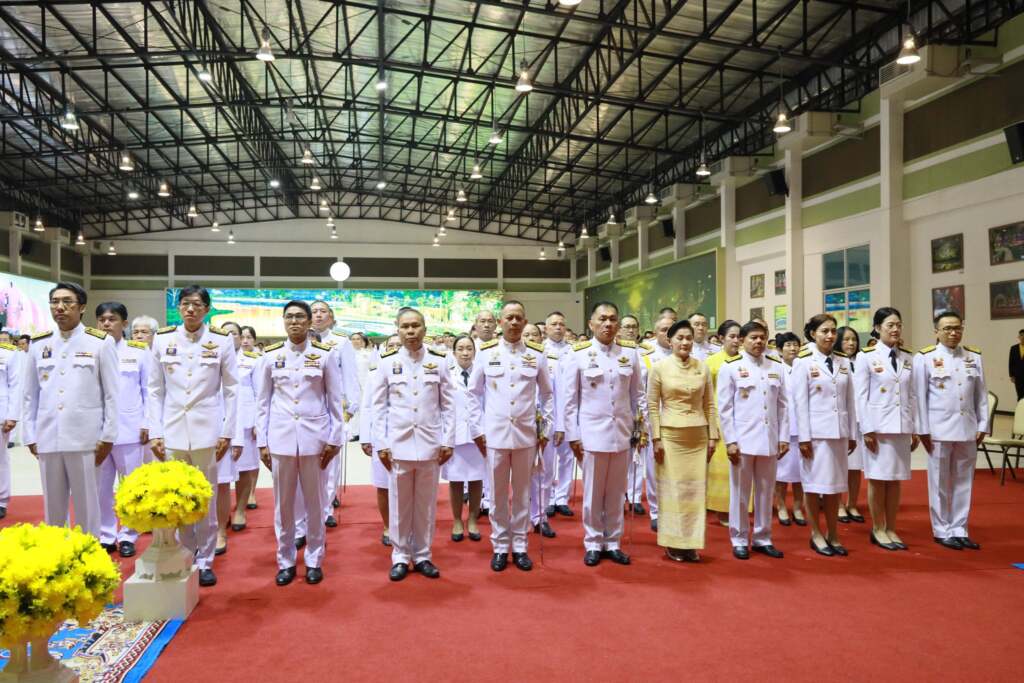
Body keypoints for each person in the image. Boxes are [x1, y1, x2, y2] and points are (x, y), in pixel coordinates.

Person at [148, 285, 237, 587]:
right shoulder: (162, 339)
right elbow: (155, 389)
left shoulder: (221, 341)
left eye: (197, 304)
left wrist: (227, 430)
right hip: (172, 429)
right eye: (185, 304)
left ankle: (206, 560)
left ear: (207, 309)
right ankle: (186, 554)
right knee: (179, 496)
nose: (190, 309)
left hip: (207, 430)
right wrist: (155, 431)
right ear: (179, 307)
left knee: (205, 496)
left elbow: (232, 389)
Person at [256, 301, 343, 586]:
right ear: (283, 321)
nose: (294, 322)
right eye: (289, 317)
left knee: (316, 503)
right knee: (283, 505)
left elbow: (335, 400)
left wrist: (335, 438)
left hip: (315, 439)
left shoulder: (325, 355)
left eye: (300, 317)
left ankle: (315, 559)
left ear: (308, 322)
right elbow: (263, 403)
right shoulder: (270, 356)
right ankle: (286, 561)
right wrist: (262, 441)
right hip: (280, 439)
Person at [23, 282, 118, 539]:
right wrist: (30, 435)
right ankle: (58, 555)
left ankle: (89, 557)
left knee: (87, 507)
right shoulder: (39, 344)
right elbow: (30, 394)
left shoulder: (100, 343)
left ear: (82, 307)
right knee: (53, 509)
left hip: (86, 439)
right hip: (48, 436)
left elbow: (112, 394)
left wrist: (108, 436)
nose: (60, 307)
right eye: (55, 302)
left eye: (67, 302)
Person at [558, 301, 646, 567]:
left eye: (613, 319)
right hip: (591, 434)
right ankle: (594, 541)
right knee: (594, 493)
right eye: (602, 319)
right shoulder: (578, 354)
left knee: (617, 492)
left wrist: (641, 428)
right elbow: (569, 399)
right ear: (591, 324)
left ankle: (613, 541)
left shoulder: (630, 353)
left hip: (622, 433)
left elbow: (638, 395)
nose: (608, 324)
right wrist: (573, 434)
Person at [468, 300, 553, 572]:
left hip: (526, 435)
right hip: (495, 435)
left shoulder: (537, 354)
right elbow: (473, 393)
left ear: (525, 322)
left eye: (519, 318)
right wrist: (477, 429)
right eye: (509, 318)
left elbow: (548, 394)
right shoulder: (486, 352)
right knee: (497, 494)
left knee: (522, 494)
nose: (514, 322)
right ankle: (500, 546)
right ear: (500, 322)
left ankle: (520, 546)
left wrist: (545, 427)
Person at [372, 308, 454, 581]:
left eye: (415, 326)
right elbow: (379, 407)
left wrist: (448, 440)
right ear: (397, 330)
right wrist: (382, 443)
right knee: (399, 504)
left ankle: (422, 555)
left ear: (425, 329)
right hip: (398, 444)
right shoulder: (386, 362)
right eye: (405, 326)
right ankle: (400, 556)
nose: (410, 331)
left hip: (430, 443)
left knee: (426, 504)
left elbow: (449, 405)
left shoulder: (439, 361)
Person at [914, 310, 987, 550]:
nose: (953, 333)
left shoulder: (973, 356)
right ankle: (941, 529)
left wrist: (983, 425)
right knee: (939, 481)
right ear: (936, 331)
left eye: (957, 328)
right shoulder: (925, 357)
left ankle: (960, 528)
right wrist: (922, 430)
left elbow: (981, 394)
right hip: (938, 430)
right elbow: (919, 397)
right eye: (947, 328)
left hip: (967, 428)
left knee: (964, 481)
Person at [647, 320, 718, 562]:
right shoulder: (659, 367)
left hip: (698, 435)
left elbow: (710, 404)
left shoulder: (702, 367)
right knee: (673, 491)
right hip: (670, 435)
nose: (685, 342)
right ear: (670, 341)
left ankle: (691, 543)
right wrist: (656, 438)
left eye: (689, 338)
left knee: (695, 492)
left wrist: (713, 436)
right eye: (680, 338)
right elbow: (652, 406)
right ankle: (673, 542)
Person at [717, 320, 788, 560]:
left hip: (769, 439)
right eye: (753, 337)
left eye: (762, 337)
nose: (758, 341)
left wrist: (784, 437)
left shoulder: (776, 366)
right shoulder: (731, 367)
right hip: (743, 440)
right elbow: (725, 408)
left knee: (766, 492)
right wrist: (730, 441)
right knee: (740, 492)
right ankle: (738, 538)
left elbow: (783, 406)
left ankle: (762, 537)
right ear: (742, 340)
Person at [791, 315, 857, 557]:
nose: (830, 336)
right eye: (824, 331)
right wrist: (804, 438)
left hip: (838, 433)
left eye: (833, 331)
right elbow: (800, 404)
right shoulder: (803, 362)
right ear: (813, 334)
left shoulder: (843, 361)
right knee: (813, 486)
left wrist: (852, 433)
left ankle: (833, 534)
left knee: (835, 487)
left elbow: (850, 400)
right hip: (816, 436)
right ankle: (816, 534)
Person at [852, 307, 915, 552]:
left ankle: (891, 527)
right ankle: (878, 528)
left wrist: (914, 428)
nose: (895, 329)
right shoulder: (866, 356)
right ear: (878, 328)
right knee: (878, 480)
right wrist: (866, 429)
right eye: (890, 325)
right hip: (877, 428)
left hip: (901, 426)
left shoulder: (907, 357)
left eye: (898, 325)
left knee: (896, 480)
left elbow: (912, 395)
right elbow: (860, 396)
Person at [94, 301, 151, 557]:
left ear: (124, 324)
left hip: (130, 429)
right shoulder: (90, 350)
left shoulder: (138, 352)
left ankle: (128, 534)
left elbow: (149, 390)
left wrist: (147, 422)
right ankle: (106, 534)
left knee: (131, 486)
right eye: (102, 319)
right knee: (101, 488)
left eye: (112, 319)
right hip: (97, 430)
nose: (106, 323)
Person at [307, 300, 360, 527]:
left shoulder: (340, 342)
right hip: (308, 408)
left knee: (330, 460)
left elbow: (350, 374)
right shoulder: (300, 339)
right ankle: (309, 506)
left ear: (331, 317)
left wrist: (351, 406)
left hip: (333, 407)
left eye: (323, 312)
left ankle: (326, 508)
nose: (318, 315)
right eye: (314, 312)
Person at [629, 314, 673, 519]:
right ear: (655, 333)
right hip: (653, 417)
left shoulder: (685, 353)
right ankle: (656, 511)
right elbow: (638, 390)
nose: (668, 334)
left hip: (679, 417)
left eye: (671, 330)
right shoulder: (645, 355)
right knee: (654, 465)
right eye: (664, 330)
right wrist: (640, 419)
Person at [360, 333, 401, 546]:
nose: (395, 349)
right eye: (390, 345)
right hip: (381, 435)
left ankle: (405, 526)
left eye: (398, 345)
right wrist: (365, 437)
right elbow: (367, 406)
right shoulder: (374, 372)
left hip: (407, 435)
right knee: (384, 484)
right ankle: (387, 526)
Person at [443, 335, 485, 542]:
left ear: (475, 352)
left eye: (469, 348)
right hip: (456, 434)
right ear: (454, 353)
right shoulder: (447, 374)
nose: (465, 353)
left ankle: (473, 519)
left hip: (478, 434)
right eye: (460, 349)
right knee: (456, 480)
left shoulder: (482, 373)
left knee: (477, 478)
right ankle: (457, 520)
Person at [704, 320, 742, 525]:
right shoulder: (711, 363)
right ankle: (722, 510)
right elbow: (706, 397)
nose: (736, 341)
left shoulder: (745, 360)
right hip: (719, 420)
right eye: (731, 336)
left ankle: (740, 507)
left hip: (743, 420)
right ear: (721, 338)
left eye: (739, 337)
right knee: (722, 468)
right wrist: (710, 424)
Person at [213, 321, 245, 555]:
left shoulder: (240, 362)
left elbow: (238, 402)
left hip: (223, 429)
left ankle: (220, 531)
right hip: (193, 429)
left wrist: (237, 437)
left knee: (222, 483)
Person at [543, 311, 575, 520]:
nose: (558, 327)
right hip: (547, 412)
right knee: (547, 459)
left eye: (561, 324)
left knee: (567, 456)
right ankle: (547, 498)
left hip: (569, 410)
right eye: (553, 324)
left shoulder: (574, 351)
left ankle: (562, 497)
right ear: (546, 328)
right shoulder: (539, 351)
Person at [228, 325, 261, 532]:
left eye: (233, 333)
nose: (229, 336)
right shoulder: (209, 359)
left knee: (245, 467)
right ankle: (220, 511)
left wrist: (258, 422)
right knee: (218, 473)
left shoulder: (252, 361)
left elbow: (261, 393)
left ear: (240, 338)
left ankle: (240, 510)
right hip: (218, 421)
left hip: (245, 421)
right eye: (225, 332)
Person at [774, 332, 806, 527]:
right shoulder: (776, 369)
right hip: (783, 428)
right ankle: (781, 506)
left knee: (801, 472)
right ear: (779, 349)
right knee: (782, 473)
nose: (793, 348)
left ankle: (798, 507)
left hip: (803, 428)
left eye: (795, 345)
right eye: (788, 345)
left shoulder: (805, 367)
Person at [836, 326, 866, 523]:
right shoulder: (835, 362)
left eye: (854, 339)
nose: (851, 343)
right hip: (841, 420)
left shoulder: (863, 361)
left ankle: (852, 504)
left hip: (860, 421)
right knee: (839, 466)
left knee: (855, 467)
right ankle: (838, 504)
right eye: (846, 339)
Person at [0, 335, 23, 520]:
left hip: (1, 412)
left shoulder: (8, 353)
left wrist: (12, 415)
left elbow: (15, 384)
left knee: (0, 459)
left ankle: (1, 500)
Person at [1009, 329, 1024, 400]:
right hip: (1018, 376)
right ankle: (1020, 407)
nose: (1023, 337)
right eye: (1021, 335)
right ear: (1019, 337)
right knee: (1020, 395)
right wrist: (1011, 375)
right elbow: (1011, 362)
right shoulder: (1014, 348)